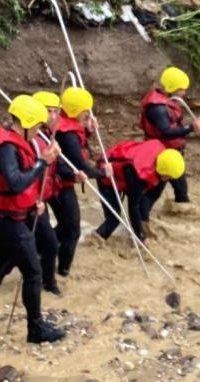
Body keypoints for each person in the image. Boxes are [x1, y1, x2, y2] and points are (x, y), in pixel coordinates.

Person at [0, 95, 66, 344]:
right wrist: (43, 162)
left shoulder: (13, 141)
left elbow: (21, 186)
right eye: (37, 126)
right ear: (26, 123)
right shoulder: (6, 147)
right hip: (10, 223)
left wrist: (33, 204)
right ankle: (35, 330)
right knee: (33, 273)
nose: (39, 131)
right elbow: (15, 182)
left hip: (9, 218)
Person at [48, 86, 105, 278]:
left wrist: (88, 129)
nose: (88, 115)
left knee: (64, 228)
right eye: (86, 112)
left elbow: (75, 149)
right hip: (59, 187)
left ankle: (39, 252)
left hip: (57, 183)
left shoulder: (66, 126)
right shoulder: (68, 135)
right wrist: (104, 173)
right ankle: (63, 271)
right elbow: (81, 166)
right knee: (72, 231)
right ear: (75, 111)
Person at [93, 139, 184, 244]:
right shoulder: (139, 176)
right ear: (163, 172)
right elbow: (133, 207)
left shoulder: (161, 164)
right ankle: (96, 239)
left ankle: (139, 228)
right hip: (107, 177)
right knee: (114, 219)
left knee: (144, 202)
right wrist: (141, 236)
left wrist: (143, 223)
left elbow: (150, 197)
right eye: (169, 177)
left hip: (127, 176)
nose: (169, 179)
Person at [138, 66, 200, 206]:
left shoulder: (166, 100)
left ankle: (181, 209)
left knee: (181, 187)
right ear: (172, 88)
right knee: (155, 190)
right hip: (162, 154)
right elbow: (166, 132)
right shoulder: (158, 108)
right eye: (182, 89)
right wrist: (190, 128)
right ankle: (140, 220)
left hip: (172, 153)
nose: (184, 92)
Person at [30, 90, 65, 297]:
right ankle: (48, 283)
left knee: (44, 242)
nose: (52, 116)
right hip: (31, 200)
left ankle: (47, 281)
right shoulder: (33, 139)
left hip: (40, 196)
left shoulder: (45, 136)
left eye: (55, 112)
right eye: (47, 111)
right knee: (49, 242)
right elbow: (30, 171)